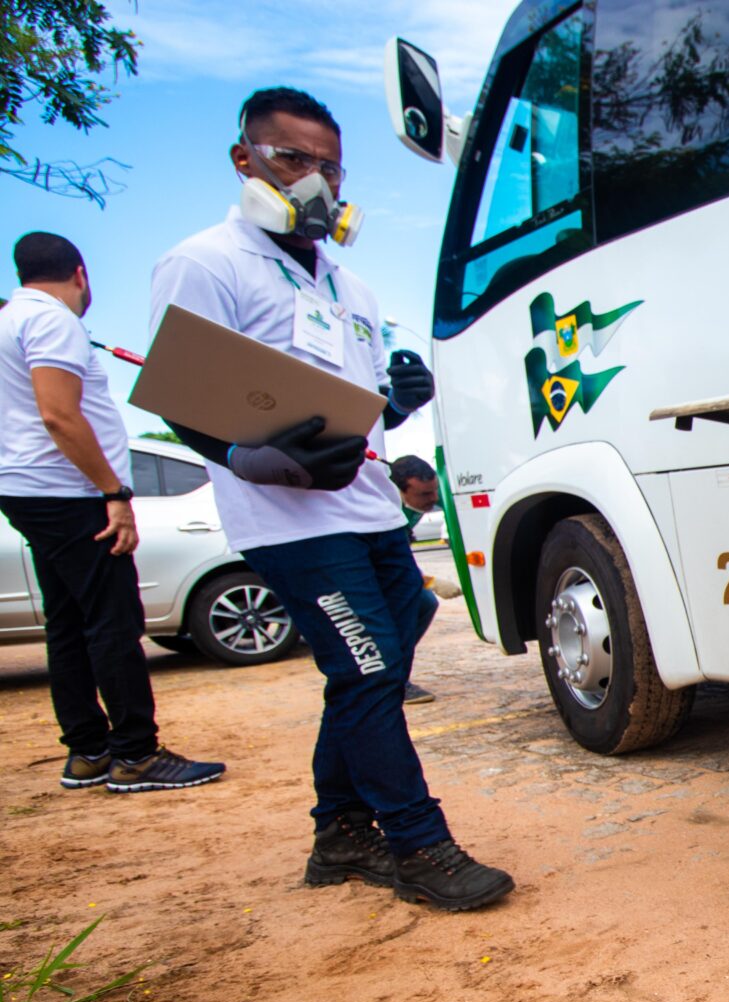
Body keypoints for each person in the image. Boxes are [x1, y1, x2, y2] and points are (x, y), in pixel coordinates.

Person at [149, 87, 512, 911]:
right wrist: (247, 456)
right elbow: (183, 394)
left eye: (331, 167)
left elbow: (342, 407)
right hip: (288, 521)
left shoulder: (347, 283)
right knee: (368, 665)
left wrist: (397, 401)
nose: (317, 181)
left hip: (368, 507)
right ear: (245, 160)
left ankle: (341, 834)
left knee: (384, 654)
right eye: (293, 160)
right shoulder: (205, 262)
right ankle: (418, 846)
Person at [0, 233, 225, 794]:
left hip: (28, 488)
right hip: (66, 491)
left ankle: (87, 751)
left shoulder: (9, 320)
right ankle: (136, 754)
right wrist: (115, 493)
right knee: (112, 621)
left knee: (68, 622)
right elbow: (59, 415)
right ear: (80, 274)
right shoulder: (52, 321)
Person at [387, 453, 440, 706]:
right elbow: (392, 560)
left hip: (397, 567)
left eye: (434, 492)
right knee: (410, 605)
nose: (434, 500)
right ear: (400, 491)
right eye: (424, 495)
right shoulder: (387, 509)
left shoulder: (417, 503)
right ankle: (395, 682)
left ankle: (393, 670)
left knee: (425, 604)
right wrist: (430, 581)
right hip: (373, 571)